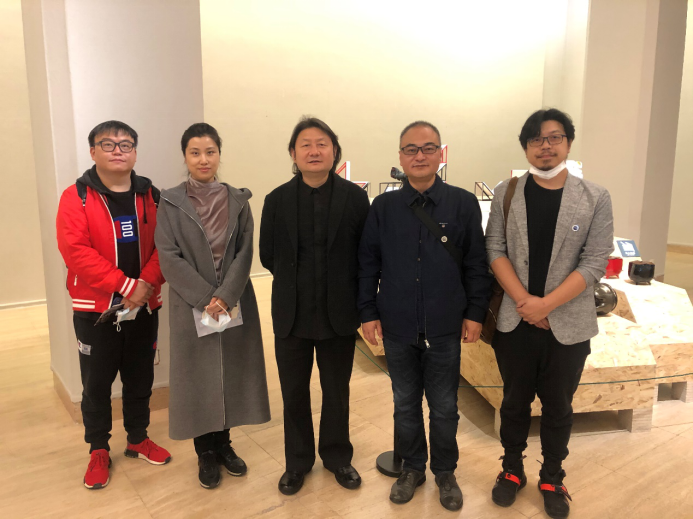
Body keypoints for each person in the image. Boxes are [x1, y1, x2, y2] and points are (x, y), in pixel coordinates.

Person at [485, 108, 613, 519]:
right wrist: (526, 302)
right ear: (526, 146)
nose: (546, 145)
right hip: (515, 321)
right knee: (514, 402)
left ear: (568, 143)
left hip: (569, 325)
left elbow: (594, 262)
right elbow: (495, 249)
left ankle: (552, 476)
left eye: (555, 137)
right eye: (537, 139)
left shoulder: (594, 197)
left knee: (559, 407)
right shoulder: (507, 192)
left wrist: (547, 304)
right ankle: (511, 469)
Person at [358, 121, 492, 511]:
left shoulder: (462, 203)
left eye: (428, 148)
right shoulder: (383, 208)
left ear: (441, 154)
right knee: (405, 403)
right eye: (411, 149)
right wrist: (367, 311)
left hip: (445, 325)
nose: (420, 156)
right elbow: (368, 264)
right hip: (397, 324)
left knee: (445, 406)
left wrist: (475, 313)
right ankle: (413, 468)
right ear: (400, 157)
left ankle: (445, 472)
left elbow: (476, 263)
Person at [155, 123, 271, 489]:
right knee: (198, 376)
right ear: (185, 157)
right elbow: (168, 256)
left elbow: (245, 252)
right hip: (192, 302)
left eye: (210, 152)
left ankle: (224, 444)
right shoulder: (170, 202)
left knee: (230, 372)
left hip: (233, 300)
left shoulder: (238, 200)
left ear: (219, 154)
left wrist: (226, 296)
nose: (203, 159)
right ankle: (204, 451)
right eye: (195, 152)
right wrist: (207, 298)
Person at [56, 120, 171, 490]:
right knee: (96, 384)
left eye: (126, 144)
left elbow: (166, 246)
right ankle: (98, 449)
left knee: (140, 378)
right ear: (93, 151)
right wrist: (125, 286)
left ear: (135, 152)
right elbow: (76, 252)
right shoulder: (76, 197)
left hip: (144, 307)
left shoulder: (152, 195)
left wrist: (145, 285)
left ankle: (137, 438)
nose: (118, 150)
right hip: (96, 312)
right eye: (108, 144)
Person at [259, 117, 370, 495]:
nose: (314, 151)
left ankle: (338, 457)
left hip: (339, 313)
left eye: (322, 143)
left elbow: (365, 255)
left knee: (337, 391)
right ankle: (297, 462)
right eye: (305, 144)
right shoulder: (276, 200)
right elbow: (268, 255)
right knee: (294, 393)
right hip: (291, 314)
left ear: (334, 151)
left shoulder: (355, 198)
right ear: (293, 153)